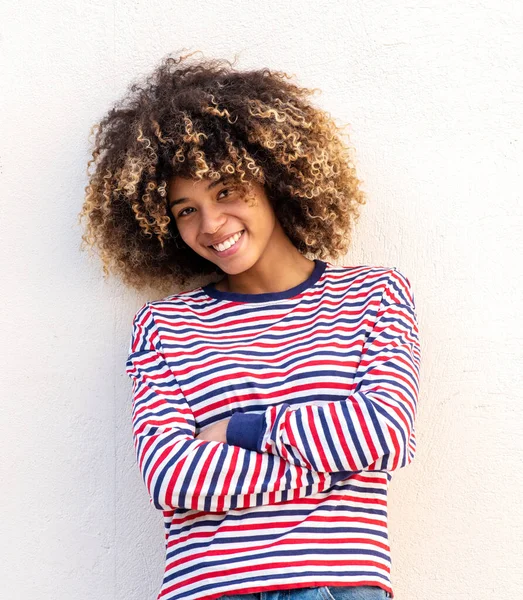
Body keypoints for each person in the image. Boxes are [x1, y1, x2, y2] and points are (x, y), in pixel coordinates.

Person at [79, 50, 421, 600]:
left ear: (272, 178)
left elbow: (381, 434)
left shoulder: (373, 296)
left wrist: (241, 430)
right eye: (185, 209)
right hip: (208, 590)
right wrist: (326, 470)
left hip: (335, 586)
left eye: (224, 192)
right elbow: (172, 478)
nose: (211, 224)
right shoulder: (164, 324)